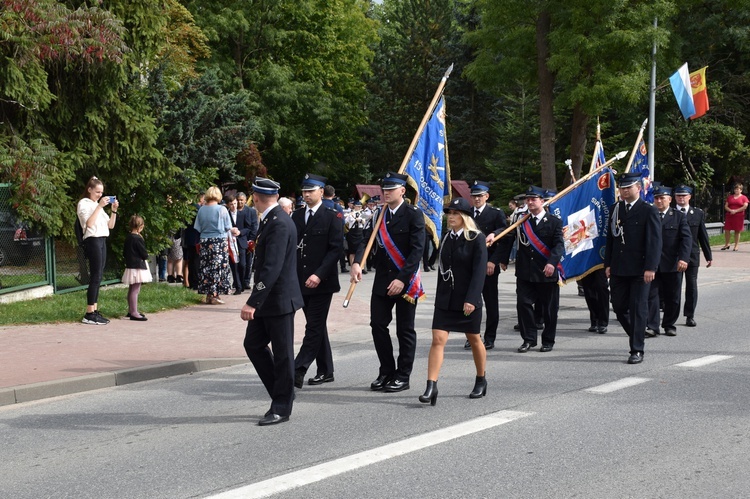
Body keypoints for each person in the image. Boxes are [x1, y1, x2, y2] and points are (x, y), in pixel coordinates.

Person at [351, 172, 425, 392]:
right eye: (384, 189)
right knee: (377, 325)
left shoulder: (413, 214)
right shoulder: (378, 215)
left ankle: (403, 375)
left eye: (391, 189)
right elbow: (365, 239)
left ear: (402, 191)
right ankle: (386, 371)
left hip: (406, 281)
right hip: (382, 280)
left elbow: (417, 250)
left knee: (405, 330)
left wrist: (402, 280)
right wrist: (357, 262)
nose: (386, 193)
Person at [241, 177, 304, 426]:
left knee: (283, 354)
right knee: (253, 345)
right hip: (270, 299)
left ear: (255, 197)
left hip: (277, 300)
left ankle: (281, 406)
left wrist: (253, 302)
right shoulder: (272, 218)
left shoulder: (278, 222)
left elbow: (271, 268)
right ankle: (283, 391)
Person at [419, 198, 488, 406]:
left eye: (455, 213)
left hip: (467, 299)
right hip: (446, 299)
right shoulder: (447, 238)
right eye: (449, 213)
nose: (450, 217)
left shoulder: (476, 238)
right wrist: (440, 298)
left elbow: (479, 272)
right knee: (438, 340)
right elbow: (442, 272)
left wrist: (472, 299)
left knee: (474, 339)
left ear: (465, 217)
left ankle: (481, 379)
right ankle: (431, 385)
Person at [291, 174, 344, 388]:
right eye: (304, 191)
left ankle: (297, 369)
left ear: (321, 192)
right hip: (301, 280)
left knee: (313, 326)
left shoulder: (333, 216)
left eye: (310, 191)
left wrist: (319, 274)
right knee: (317, 326)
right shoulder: (297, 215)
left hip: (322, 282)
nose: (306, 195)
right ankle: (326, 370)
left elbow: (335, 250)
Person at [498, 185, 564, 353]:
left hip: (546, 271)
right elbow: (509, 239)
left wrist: (552, 262)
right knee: (523, 305)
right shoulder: (521, 221)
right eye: (527, 200)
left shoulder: (554, 221)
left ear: (542, 201)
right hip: (525, 271)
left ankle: (548, 340)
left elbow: (558, 245)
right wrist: (503, 259)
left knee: (549, 309)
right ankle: (529, 339)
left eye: (533, 199)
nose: (530, 202)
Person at [605, 172, 662, 364]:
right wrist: (608, 264)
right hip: (619, 268)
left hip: (640, 269)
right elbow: (611, 239)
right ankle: (636, 333)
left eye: (628, 187)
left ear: (638, 188)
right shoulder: (615, 209)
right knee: (619, 307)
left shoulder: (648, 210)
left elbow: (654, 242)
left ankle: (636, 349)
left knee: (638, 309)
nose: (624, 191)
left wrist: (651, 267)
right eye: (622, 188)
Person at [646, 186, 692, 337]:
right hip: (652, 264)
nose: (659, 201)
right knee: (651, 296)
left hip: (672, 264)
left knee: (673, 297)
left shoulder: (678, 216)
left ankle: (669, 324)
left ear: (670, 200)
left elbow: (686, 239)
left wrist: (684, 258)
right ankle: (653, 326)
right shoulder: (648, 215)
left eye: (662, 198)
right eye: (656, 198)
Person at [467, 180, 507, 350]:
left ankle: (490, 337)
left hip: (489, 263)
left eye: (480, 196)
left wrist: (494, 261)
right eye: (474, 196)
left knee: (491, 303)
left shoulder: (496, 213)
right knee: (471, 303)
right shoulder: (467, 213)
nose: (476, 199)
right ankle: (472, 335)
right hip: (470, 265)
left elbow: (505, 236)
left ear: (486, 196)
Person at [77, 176, 119, 325]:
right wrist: (99, 206)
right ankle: (89, 313)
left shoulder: (96, 205)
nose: (100, 195)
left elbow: (110, 226)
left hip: (102, 239)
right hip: (92, 239)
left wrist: (113, 211)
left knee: (99, 275)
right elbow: (89, 223)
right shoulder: (84, 203)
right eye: (97, 192)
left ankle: (94, 310)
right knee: (95, 276)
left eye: (102, 192)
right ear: (89, 190)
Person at [674, 185, 712, 327]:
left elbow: (703, 235)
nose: (681, 198)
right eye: (679, 195)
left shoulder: (697, 213)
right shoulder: (670, 213)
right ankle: (671, 314)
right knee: (674, 287)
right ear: (675, 197)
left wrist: (708, 255)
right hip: (674, 256)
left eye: (684, 195)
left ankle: (690, 315)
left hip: (692, 256)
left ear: (690, 197)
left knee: (691, 286)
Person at [193, 186, 232, 305]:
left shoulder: (201, 209)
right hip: (219, 241)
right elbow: (228, 226)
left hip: (204, 240)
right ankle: (215, 294)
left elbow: (197, 227)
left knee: (206, 267)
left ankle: (208, 294)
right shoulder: (222, 209)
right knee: (218, 268)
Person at [122, 215, 151, 321]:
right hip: (138, 266)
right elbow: (143, 253)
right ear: (141, 226)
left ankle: (131, 310)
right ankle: (134, 312)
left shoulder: (128, 237)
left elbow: (124, 252)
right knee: (135, 289)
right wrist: (145, 256)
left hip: (130, 265)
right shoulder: (138, 238)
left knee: (131, 288)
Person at [236, 192, 258, 290]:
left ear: (245, 200)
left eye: (241, 200)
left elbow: (254, 226)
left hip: (248, 240)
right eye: (238, 199)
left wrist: (252, 240)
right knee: (240, 263)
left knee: (248, 263)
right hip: (236, 240)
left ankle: (246, 281)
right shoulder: (233, 211)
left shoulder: (251, 211)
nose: (240, 202)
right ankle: (238, 281)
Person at [224, 193, 243, 295]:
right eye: (231, 204)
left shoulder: (243, 213)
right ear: (228, 205)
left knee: (242, 265)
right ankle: (237, 286)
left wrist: (240, 232)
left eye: (235, 203)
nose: (234, 206)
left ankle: (242, 284)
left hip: (241, 242)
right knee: (233, 266)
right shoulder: (225, 213)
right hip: (229, 243)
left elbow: (249, 227)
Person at [722, 182, 748, 251]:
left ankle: (736, 246)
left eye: (738, 189)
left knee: (737, 231)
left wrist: (736, 211)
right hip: (730, 215)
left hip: (739, 216)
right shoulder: (730, 197)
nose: (736, 190)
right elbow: (726, 206)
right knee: (727, 230)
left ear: (741, 190)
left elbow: (745, 206)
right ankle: (727, 244)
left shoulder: (744, 197)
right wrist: (730, 210)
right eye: (735, 189)